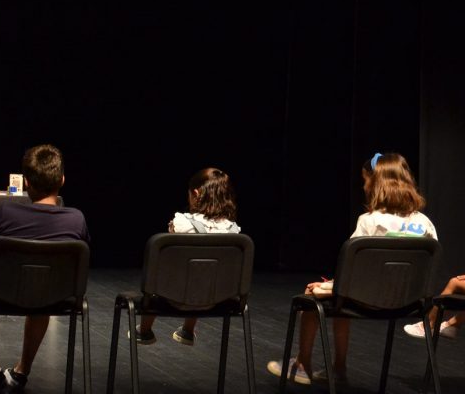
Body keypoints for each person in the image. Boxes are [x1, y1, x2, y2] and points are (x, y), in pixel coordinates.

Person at [266, 152, 437, 385]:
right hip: (410, 303)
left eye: (366, 180)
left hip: (366, 299)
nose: (364, 185)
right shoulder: (425, 223)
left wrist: (329, 286)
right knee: (339, 293)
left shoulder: (369, 221)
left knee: (314, 295)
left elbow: (353, 272)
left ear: (377, 183)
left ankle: (304, 363)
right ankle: (337, 369)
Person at [0, 144, 90, 393]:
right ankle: (22, 372)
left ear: (26, 182)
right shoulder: (76, 219)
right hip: (55, 297)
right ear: (62, 179)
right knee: (43, 288)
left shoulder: (7, 213)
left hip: (2, 295)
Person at [134, 168, 241, 346]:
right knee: (205, 271)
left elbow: (169, 262)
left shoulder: (181, 223)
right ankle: (188, 330)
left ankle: (144, 330)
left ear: (196, 193)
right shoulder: (234, 231)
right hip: (217, 299)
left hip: (174, 296)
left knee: (167, 269)